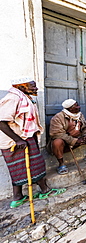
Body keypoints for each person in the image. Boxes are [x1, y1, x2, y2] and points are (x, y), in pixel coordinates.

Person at [0, 78, 65, 208]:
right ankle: (44, 190)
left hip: (25, 138)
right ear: (22, 87)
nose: (36, 89)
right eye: (32, 87)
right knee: (32, 166)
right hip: (15, 140)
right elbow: (1, 121)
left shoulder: (25, 97)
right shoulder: (13, 98)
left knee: (23, 167)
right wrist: (18, 139)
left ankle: (18, 197)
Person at [49, 99, 86, 175]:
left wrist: (85, 136)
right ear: (70, 108)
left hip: (79, 139)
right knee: (57, 142)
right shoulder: (58, 117)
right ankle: (61, 164)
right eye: (76, 105)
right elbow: (56, 133)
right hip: (67, 141)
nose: (79, 107)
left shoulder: (79, 115)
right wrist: (74, 140)